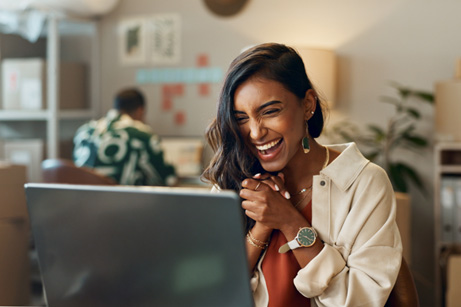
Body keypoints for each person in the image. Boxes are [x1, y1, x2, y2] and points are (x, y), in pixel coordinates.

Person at [202, 43, 402, 306]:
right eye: (241, 118)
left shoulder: (363, 182)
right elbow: (212, 290)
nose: (255, 132)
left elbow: (360, 300)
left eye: (270, 111)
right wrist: (262, 226)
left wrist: (289, 221)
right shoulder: (234, 177)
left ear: (307, 104)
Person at [73, 88, 177, 186]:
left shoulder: (85, 132)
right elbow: (168, 179)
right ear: (140, 110)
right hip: (125, 202)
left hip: (84, 202)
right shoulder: (142, 134)